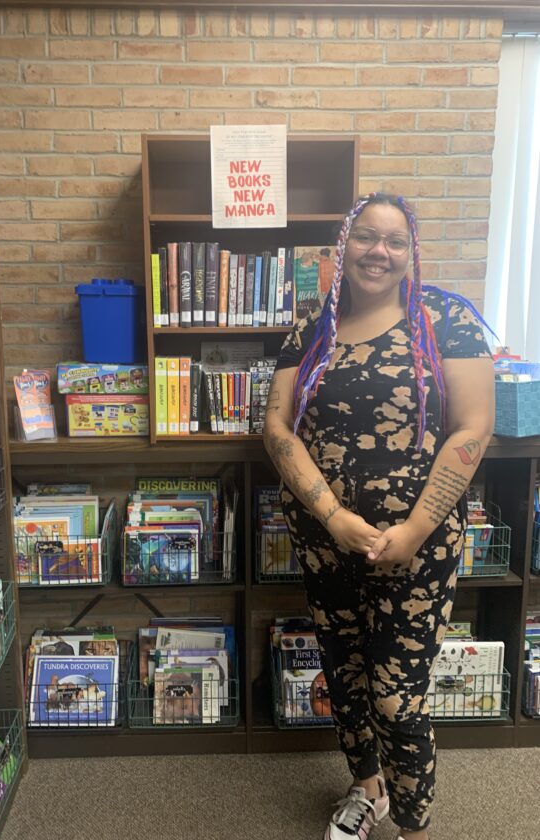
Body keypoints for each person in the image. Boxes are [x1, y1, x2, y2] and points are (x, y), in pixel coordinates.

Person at [263, 193, 495, 840]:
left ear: (411, 252)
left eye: (395, 241)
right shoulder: (312, 327)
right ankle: (367, 792)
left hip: (418, 545)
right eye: (367, 236)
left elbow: (472, 428)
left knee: (397, 699)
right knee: (345, 676)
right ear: (346, 245)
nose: (379, 251)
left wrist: (415, 530)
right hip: (324, 538)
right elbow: (277, 428)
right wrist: (333, 516)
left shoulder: (445, 319)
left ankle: (414, 828)